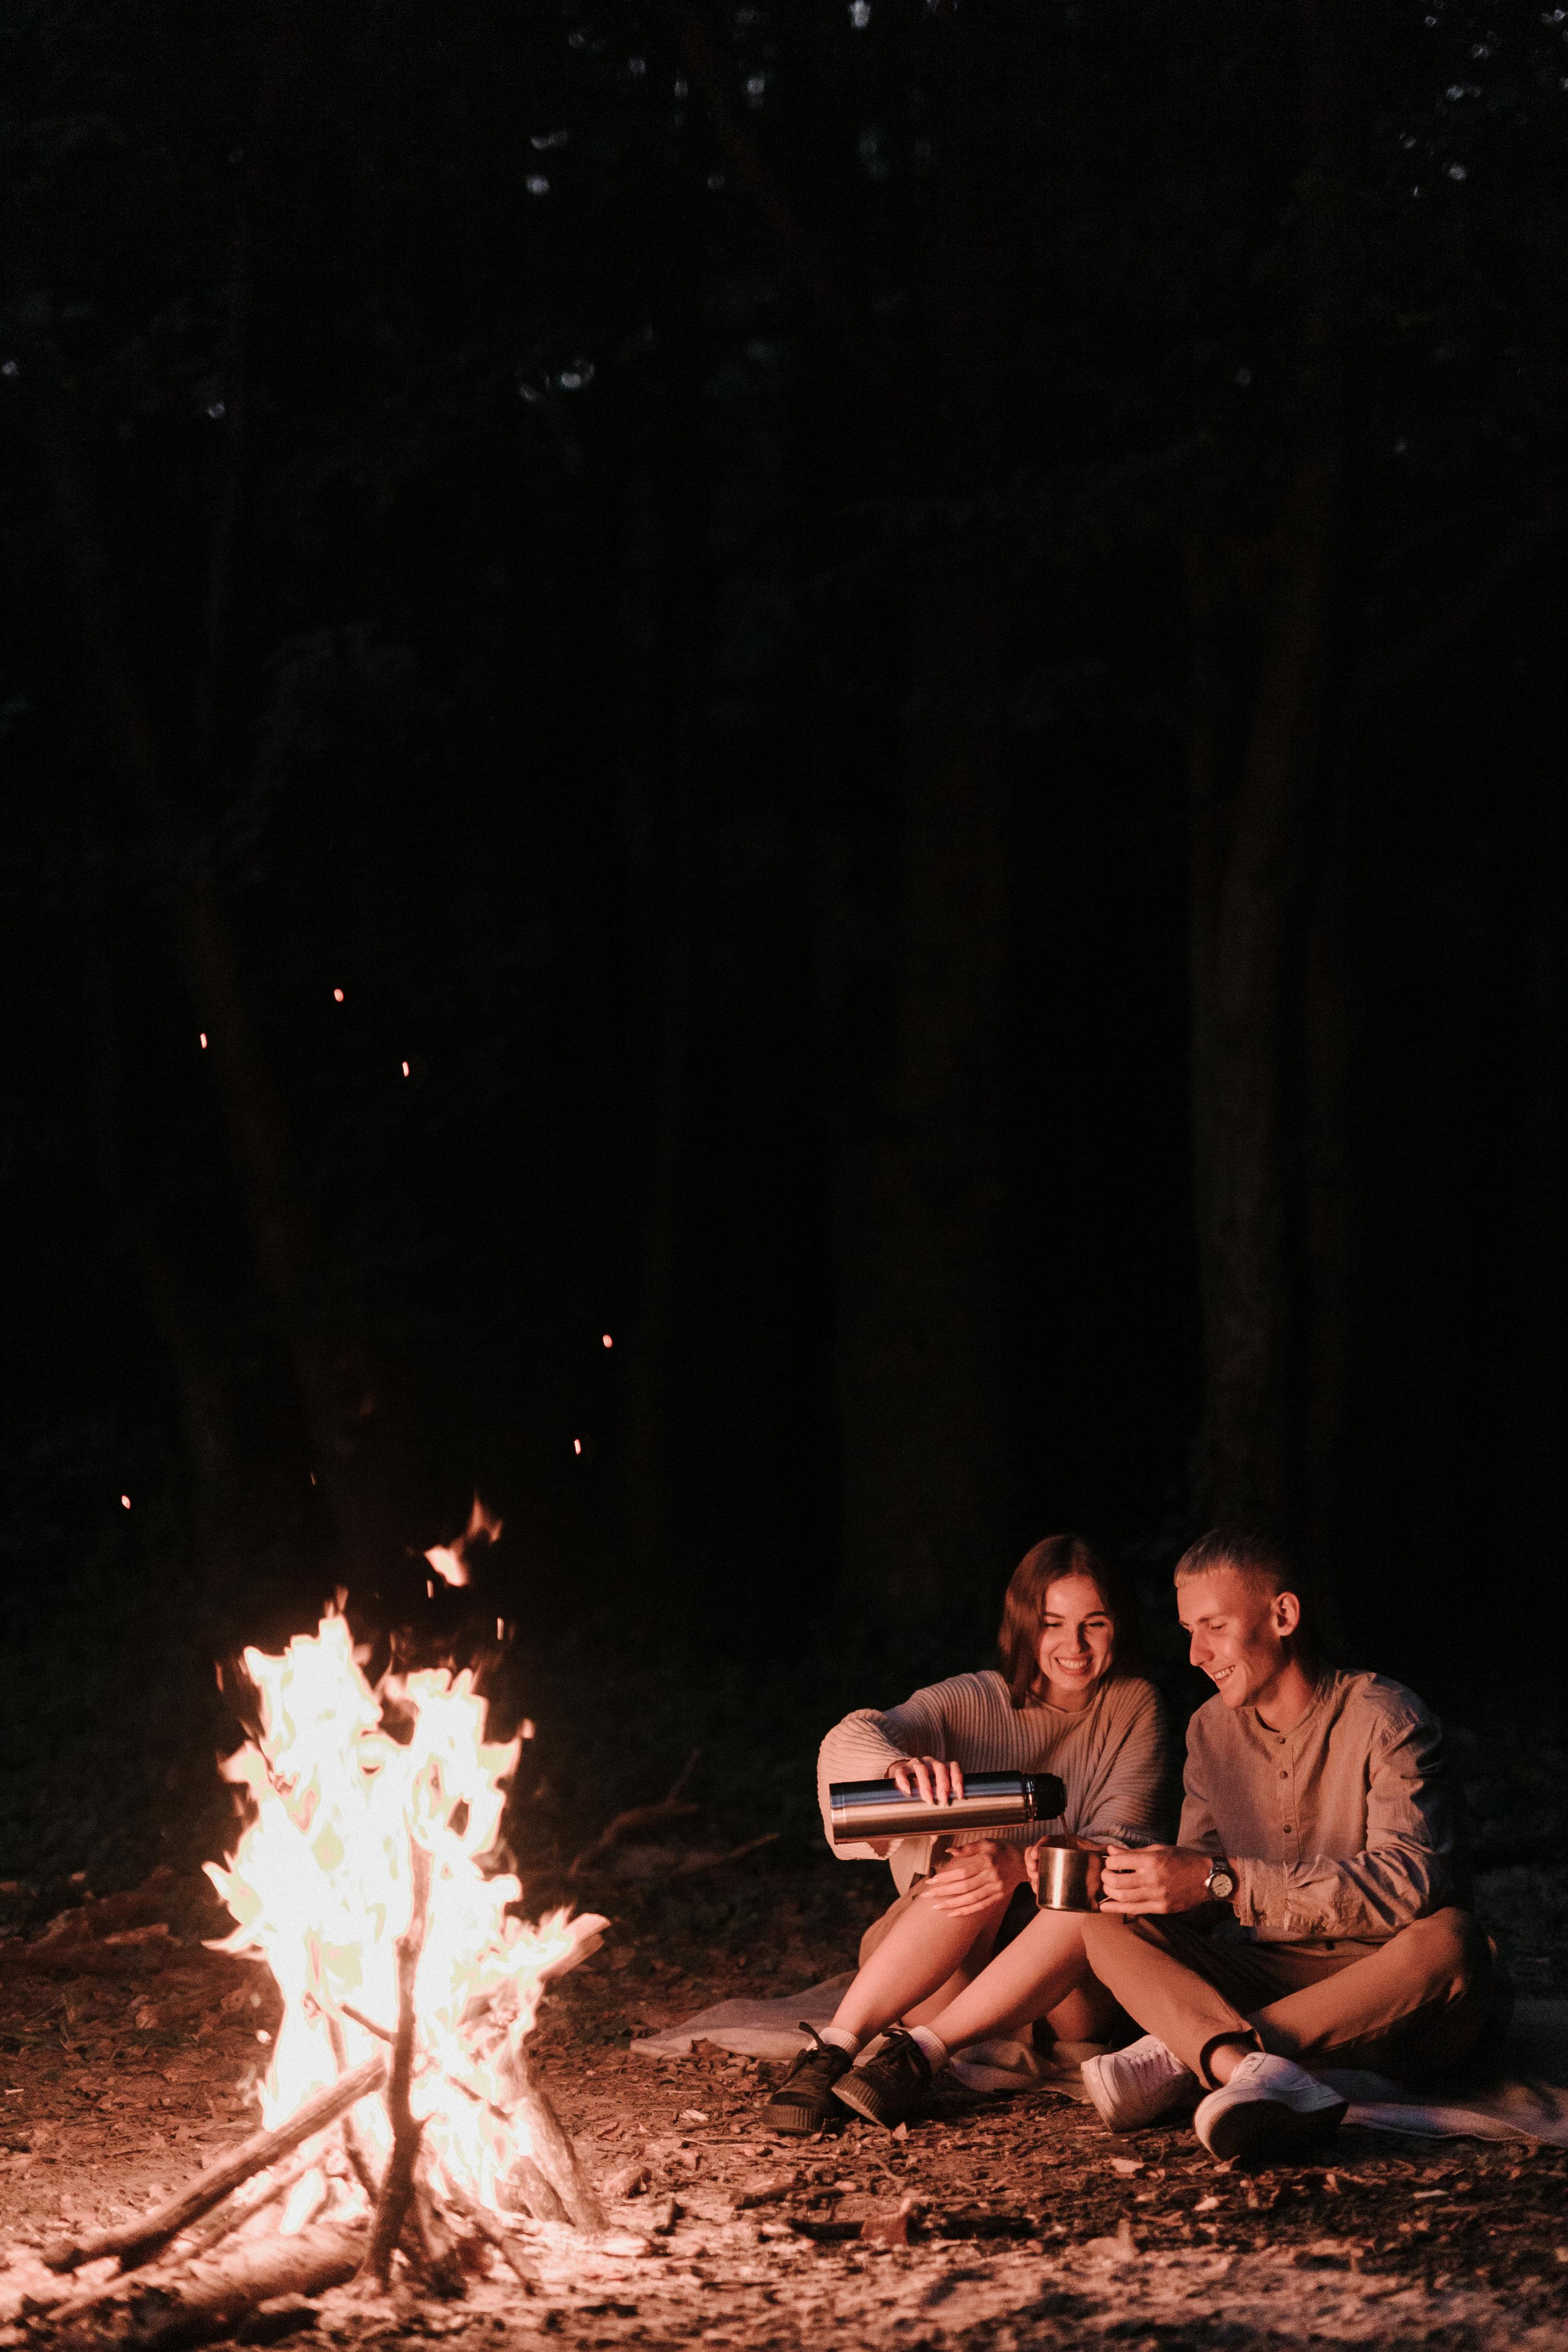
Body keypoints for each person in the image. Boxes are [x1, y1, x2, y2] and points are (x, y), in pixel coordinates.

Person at [835, 1524, 1510, 2162]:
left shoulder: (1385, 1717)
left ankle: (1196, 2057)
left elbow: (1411, 1882)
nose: (1196, 1655)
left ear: (1282, 1616)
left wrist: (1223, 1882)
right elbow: (1195, 1895)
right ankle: (1236, 2068)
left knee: (1453, 1941)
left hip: (1385, 1975)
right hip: (1263, 1970)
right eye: (1190, 1632)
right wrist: (1162, 1886)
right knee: (1101, 1910)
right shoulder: (1208, 1732)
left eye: (1213, 1628)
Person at [758, 1534, 1170, 2135]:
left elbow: (1120, 1842)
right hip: (941, 1964)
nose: (1073, 1647)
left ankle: (918, 2054)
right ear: (1023, 1626)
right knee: (968, 1871)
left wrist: (1016, 1861)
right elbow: (852, 1735)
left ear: (1118, 1627)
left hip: (1065, 1989)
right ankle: (832, 2051)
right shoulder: (974, 1699)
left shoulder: (1134, 1706)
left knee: (1067, 1886)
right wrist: (894, 1769)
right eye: (1052, 1624)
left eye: (1094, 1624)